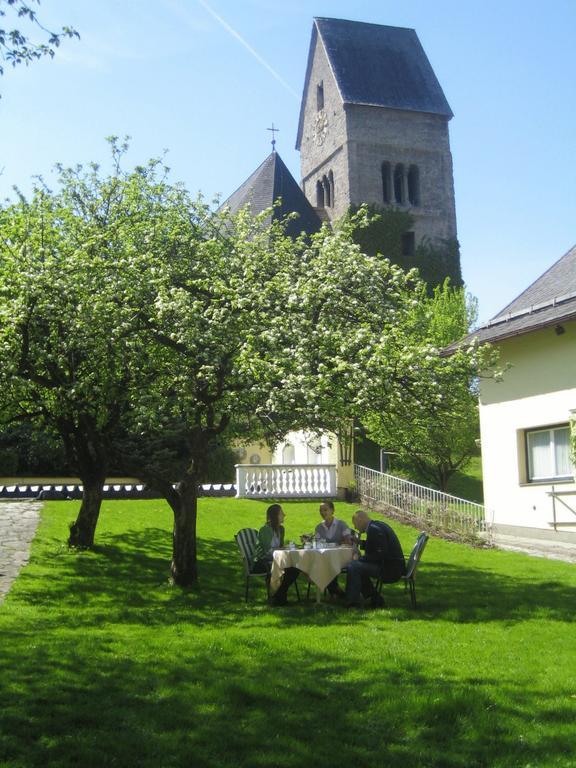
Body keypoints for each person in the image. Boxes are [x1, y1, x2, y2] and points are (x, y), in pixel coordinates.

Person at [344, 510, 406, 608]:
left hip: (389, 569)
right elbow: (376, 547)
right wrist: (359, 542)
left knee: (353, 566)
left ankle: (352, 603)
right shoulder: (376, 525)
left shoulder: (374, 529)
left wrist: (361, 559)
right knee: (358, 567)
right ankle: (376, 599)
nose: (356, 527)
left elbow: (379, 554)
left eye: (355, 524)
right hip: (392, 565)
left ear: (360, 519)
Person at [253, 503, 300, 606]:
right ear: (275, 516)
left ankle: (278, 595)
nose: (284, 515)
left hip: (277, 560)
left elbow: (281, 547)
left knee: (296, 568)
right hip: (263, 562)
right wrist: (281, 549)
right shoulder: (265, 530)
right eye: (281, 513)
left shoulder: (281, 529)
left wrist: (287, 548)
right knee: (290, 568)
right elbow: (267, 551)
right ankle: (280, 597)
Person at [314, 500, 352, 597]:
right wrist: (339, 542)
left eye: (325, 510)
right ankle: (335, 589)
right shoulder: (319, 527)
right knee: (323, 562)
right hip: (325, 557)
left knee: (329, 562)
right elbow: (317, 543)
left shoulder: (341, 524)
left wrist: (337, 543)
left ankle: (334, 589)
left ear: (332, 510)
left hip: (341, 558)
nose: (322, 513)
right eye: (320, 510)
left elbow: (348, 541)